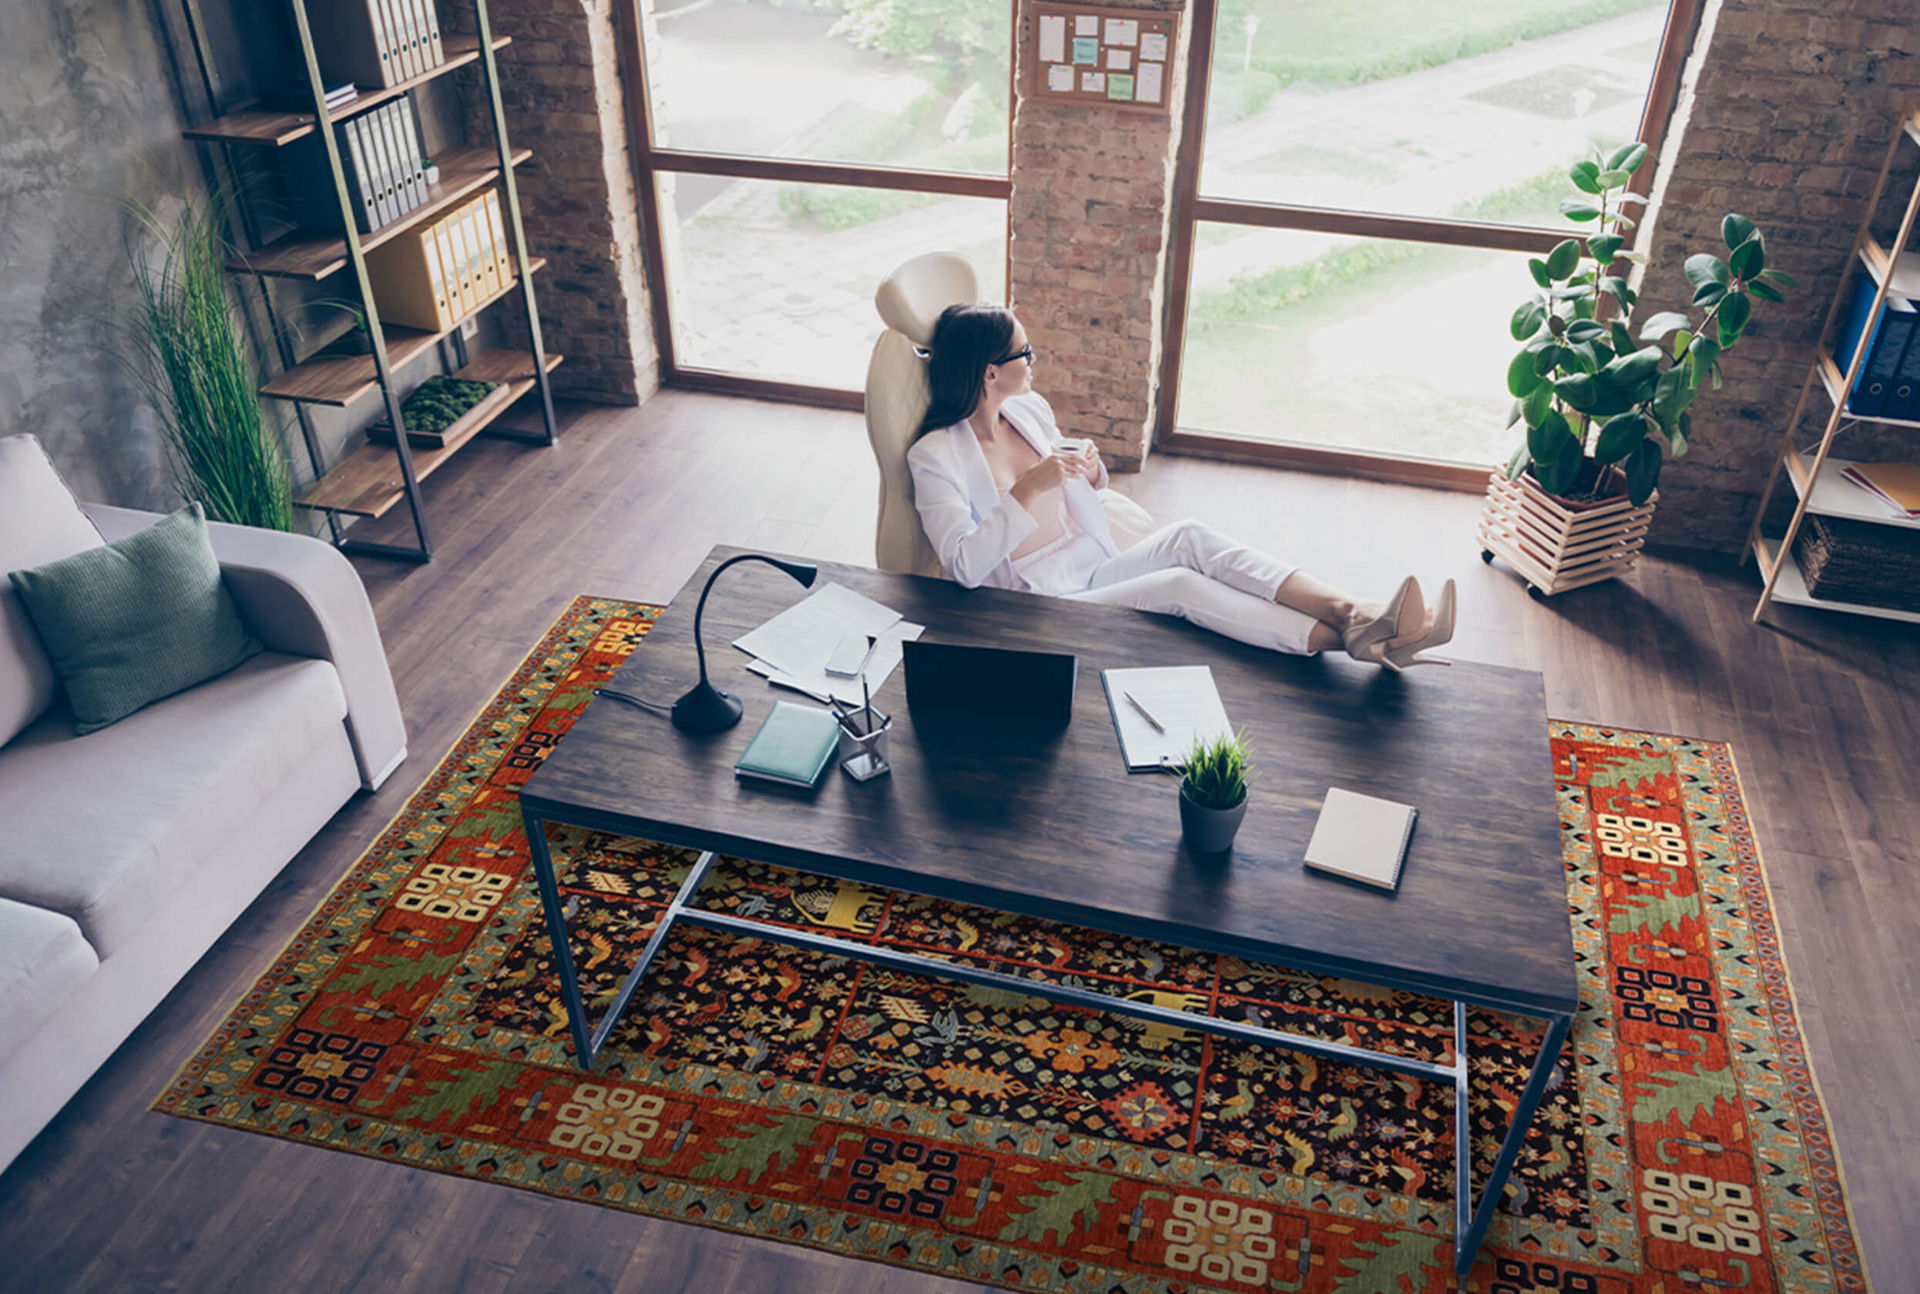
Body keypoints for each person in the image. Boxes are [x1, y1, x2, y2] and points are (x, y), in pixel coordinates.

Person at [905, 304, 1456, 668]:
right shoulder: (935, 456)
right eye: (1024, 353)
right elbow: (963, 566)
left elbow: (1081, 490)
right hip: (1039, 605)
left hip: (1089, 564)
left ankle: (1354, 612)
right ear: (990, 372)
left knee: (1188, 535)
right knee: (1178, 587)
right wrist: (1028, 488)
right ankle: (1368, 638)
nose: (1033, 360)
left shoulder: (1027, 410)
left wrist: (1091, 470)